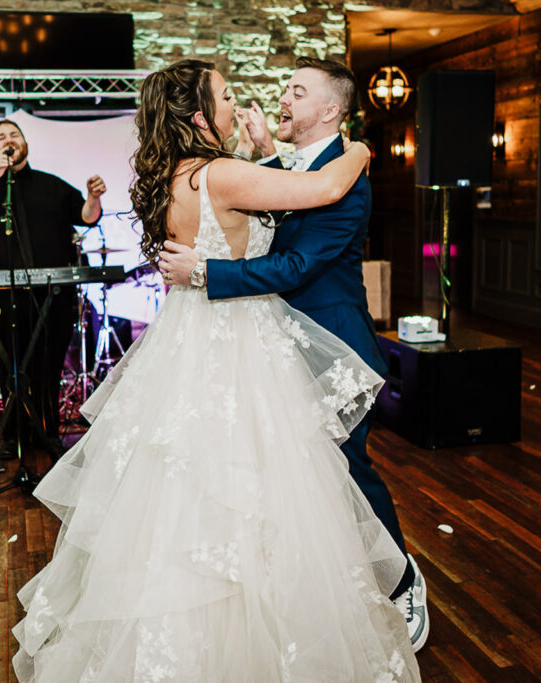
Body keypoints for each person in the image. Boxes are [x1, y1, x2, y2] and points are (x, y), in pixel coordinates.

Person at [12, 59, 420, 680]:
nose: (240, 103)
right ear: (200, 116)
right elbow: (321, 190)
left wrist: (263, 160)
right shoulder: (223, 173)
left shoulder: (179, 174)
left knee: (192, 491)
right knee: (273, 485)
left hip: (195, 340)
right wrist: (362, 149)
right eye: (226, 96)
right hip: (242, 344)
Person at [159, 56, 429, 651]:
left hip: (334, 347)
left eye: (297, 91)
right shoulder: (276, 168)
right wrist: (266, 154)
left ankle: (402, 579)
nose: (282, 98)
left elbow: (297, 264)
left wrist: (207, 272)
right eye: (286, 88)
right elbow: (266, 201)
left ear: (330, 110)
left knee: (347, 472)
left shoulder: (346, 178)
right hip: (268, 348)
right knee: (289, 481)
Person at [0, 119, 106, 450]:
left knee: (48, 366)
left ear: (25, 143)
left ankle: (48, 432)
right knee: (9, 367)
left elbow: (86, 216)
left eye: (14, 135)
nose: (8, 140)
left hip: (52, 296)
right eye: (0, 137)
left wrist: (93, 198)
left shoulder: (51, 186)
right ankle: (13, 435)